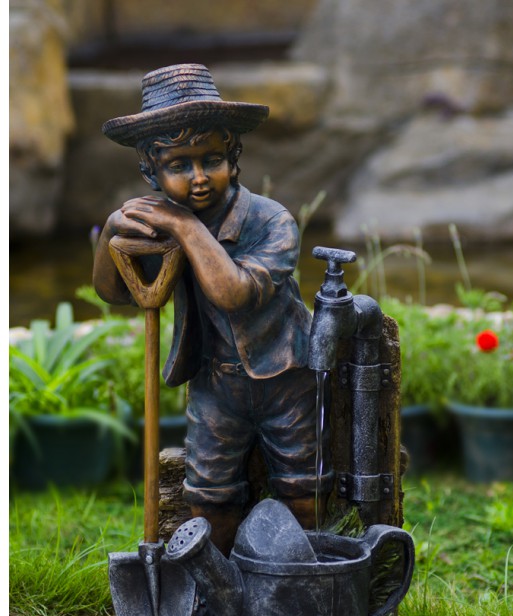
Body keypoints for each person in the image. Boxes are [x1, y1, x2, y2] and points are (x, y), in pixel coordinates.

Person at [93, 63, 333, 556]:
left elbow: (234, 293)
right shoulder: (162, 221)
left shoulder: (272, 222)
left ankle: (301, 580)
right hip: (215, 384)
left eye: (212, 159)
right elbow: (115, 292)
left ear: (234, 156)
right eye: (179, 165)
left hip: (287, 380)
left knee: (302, 487)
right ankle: (215, 591)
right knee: (209, 496)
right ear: (151, 171)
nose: (199, 177)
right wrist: (114, 229)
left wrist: (183, 226)